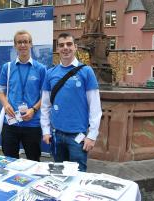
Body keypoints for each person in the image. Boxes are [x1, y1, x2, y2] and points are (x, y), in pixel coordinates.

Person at [40, 32, 102, 172]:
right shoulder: (50, 73)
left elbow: (95, 106)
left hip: (77, 137)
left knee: (78, 176)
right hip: (56, 135)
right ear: (58, 49)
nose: (65, 48)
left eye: (69, 44)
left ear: (75, 47)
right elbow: (45, 105)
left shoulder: (86, 71)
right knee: (59, 175)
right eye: (61, 45)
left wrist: (92, 136)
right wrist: (45, 130)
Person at [0, 30, 46, 161]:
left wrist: (34, 109)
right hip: (11, 123)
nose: (23, 45)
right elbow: (0, 90)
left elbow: (46, 95)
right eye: (19, 42)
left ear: (31, 44)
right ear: (15, 45)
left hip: (32, 123)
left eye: (26, 42)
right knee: (9, 161)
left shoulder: (41, 69)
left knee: (33, 161)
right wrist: (6, 104)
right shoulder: (7, 67)